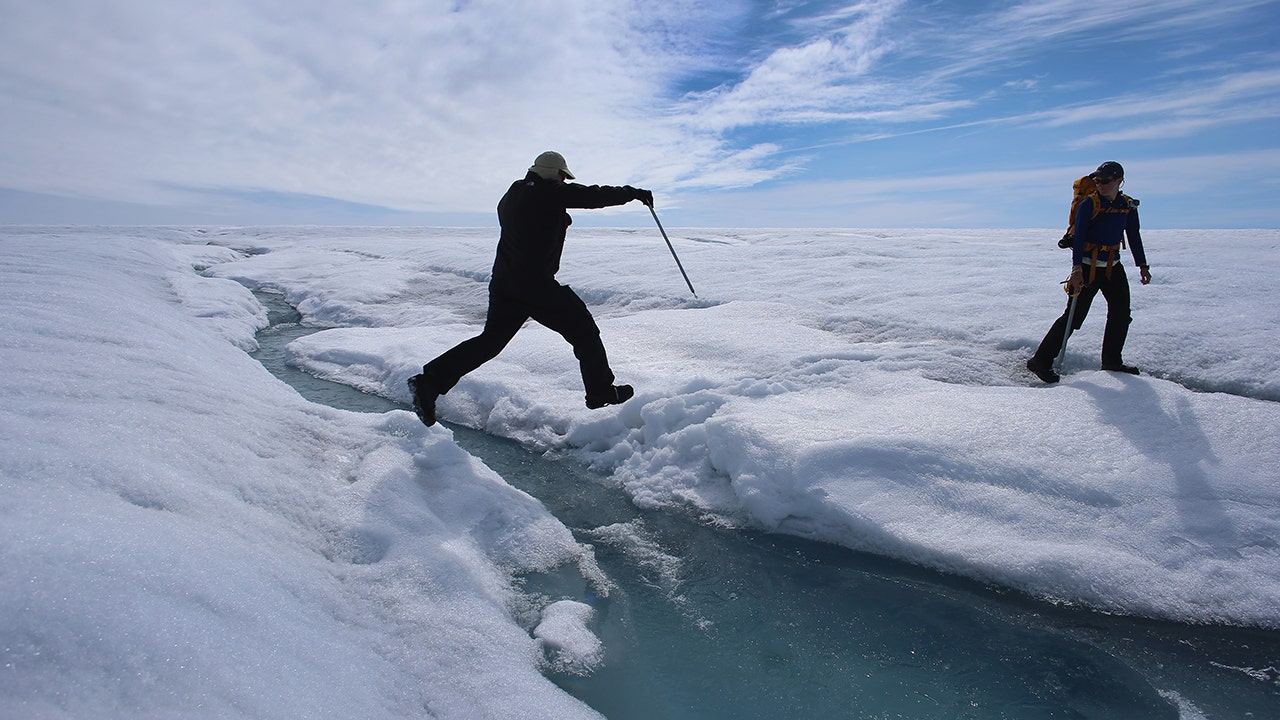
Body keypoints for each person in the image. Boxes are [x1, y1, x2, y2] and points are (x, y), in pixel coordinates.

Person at [407, 151, 654, 426]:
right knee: (584, 330)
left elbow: (536, 220)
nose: (563, 180)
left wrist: (557, 219)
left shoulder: (514, 193)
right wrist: (632, 192)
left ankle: (428, 383)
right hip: (535, 285)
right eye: (562, 175)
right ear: (552, 173)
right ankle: (600, 391)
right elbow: (591, 196)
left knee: (490, 342)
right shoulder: (548, 193)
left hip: (505, 283)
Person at [1027, 160, 1151, 383]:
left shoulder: (1127, 206)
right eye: (1097, 180)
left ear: (1119, 181)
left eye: (1105, 181)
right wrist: (1076, 270)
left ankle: (1112, 361)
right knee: (1074, 317)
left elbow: (1134, 236)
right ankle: (1040, 361)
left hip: (1113, 267)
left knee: (1121, 314)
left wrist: (1142, 265)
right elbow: (1079, 238)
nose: (1100, 184)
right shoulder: (1089, 204)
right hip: (1087, 268)